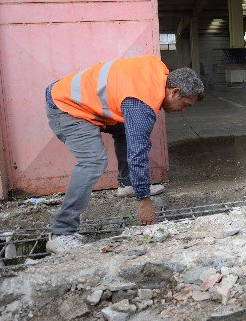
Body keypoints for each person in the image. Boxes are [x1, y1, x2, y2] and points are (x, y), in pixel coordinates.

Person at [44, 55, 204, 253]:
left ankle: (128, 184)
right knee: (93, 161)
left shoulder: (159, 72)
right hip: (65, 106)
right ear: (174, 92)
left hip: (79, 100)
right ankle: (61, 232)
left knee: (125, 129)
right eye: (186, 104)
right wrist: (144, 201)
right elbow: (137, 153)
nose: (184, 111)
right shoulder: (141, 103)